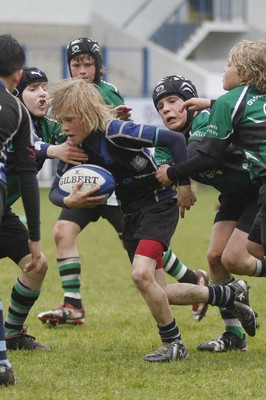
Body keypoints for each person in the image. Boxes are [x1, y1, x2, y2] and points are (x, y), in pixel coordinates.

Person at [47, 78, 257, 362]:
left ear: (85, 114)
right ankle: (229, 296)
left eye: (69, 120)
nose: (65, 127)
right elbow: (57, 189)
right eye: (61, 121)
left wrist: (183, 185)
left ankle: (173, 343)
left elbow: (172, 139)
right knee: (161, 291)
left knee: (141, 274)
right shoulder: (74, 147)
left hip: (158, 205)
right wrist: (69, 201)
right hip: (131, 212)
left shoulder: (117, 131)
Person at [37, 37, 209, 326]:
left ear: (99, 67)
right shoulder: (67, 102)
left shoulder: (108, 94)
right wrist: (66, 185)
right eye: (75, 64)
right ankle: (73, 304)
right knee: (61, 231)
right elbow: (57, 183)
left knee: (144, 254)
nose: (81, 70)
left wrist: (182, 182)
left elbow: (115, 131)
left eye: (88, 64)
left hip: (120, 188)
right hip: (85, 180)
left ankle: (194, 281)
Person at [156, 39, 266, 346]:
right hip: (234, 194)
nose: (167, 109)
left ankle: (238, 289)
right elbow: (165, 160)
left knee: (238, 259)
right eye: (161, 106)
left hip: (256, 188)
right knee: (215, 257)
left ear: (190, 101)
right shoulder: (172, 138)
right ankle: (234, 335)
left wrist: (180, 179)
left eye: (174, 101)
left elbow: (201, 156)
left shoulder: (207, 119)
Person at [0, 34, 44, 386]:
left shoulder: (17, 110)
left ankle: (11, 336)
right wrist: (36, 236)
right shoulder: (17, 112)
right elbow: (29, 177)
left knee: (36, 265)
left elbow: (27, 175)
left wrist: (32, 242)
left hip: (1, 209)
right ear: (18, 74)